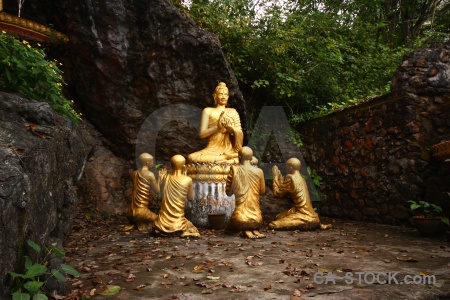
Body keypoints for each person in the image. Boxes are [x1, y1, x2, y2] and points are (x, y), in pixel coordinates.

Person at [188, 82, 243, 164]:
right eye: (221, 94)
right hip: (212, 149)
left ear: (228, 97)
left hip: (230, 150)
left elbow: (239, 133)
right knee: (191, 157)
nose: (223, 97)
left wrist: (231, 129)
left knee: (248, 156)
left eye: (225, 95)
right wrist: (217, 128)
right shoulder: (208, 111)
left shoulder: (233, 112)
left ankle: (227, 159)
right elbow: (202, 134)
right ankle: (226, 158)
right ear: (215, 96)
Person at [269, 158, 329, 230]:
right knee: (278, 217)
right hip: (302, 211)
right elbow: (288, 192)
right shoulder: (301, 178)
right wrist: (281, 182)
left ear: (290, 167)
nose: (286, 168)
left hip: (304, 214)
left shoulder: (291, 178)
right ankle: (314, 223)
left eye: (287, 166)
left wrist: (275, 178)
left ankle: (310, 223)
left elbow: (278, 193)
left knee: (273, 225)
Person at [153, 155, 200, 237]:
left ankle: (164, 231)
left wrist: (159, 180)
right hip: (178, 222)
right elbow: (190, 198)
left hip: (161, 222)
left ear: (171, 166)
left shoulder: (165, 177)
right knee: (192, 228)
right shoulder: (188, 180)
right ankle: (183, 232)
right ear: (184, 166)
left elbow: (158, 195)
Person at [225, 146, 266, 238]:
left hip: (240, 219)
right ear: (251, 158)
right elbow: (262, 191)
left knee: (228, 228)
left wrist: (238, 184)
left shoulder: (234, 170)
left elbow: (228, 193)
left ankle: (246, 231)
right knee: (251, 222)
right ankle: (253, 230)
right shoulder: (259, 171)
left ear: (239, 157)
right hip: (257, 219)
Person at [125, 153, 159, 232]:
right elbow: (157, 191)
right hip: (142, 212)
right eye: (152, 161)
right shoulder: (150, 175)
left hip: (130, 212)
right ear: (147, 163)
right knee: (161, 219)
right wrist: (160, 178)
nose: (153, 163)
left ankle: (137, 222)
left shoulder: (135, 173)